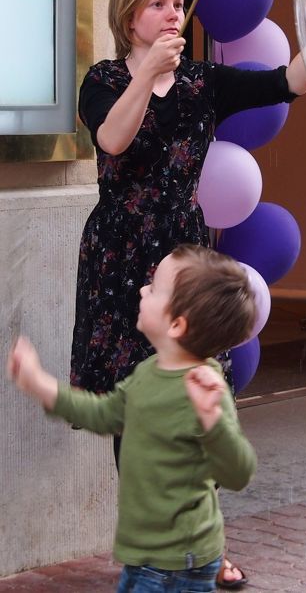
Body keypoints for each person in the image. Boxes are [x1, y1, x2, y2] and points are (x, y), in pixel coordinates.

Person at [70, 0, 306, 588]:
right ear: (129, 19)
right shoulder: (105, 79)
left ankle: (204, 543)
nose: (174, 14)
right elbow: (114, 140)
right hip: (123, 258)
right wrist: (147, 73)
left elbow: (288, 83)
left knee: (202, 397)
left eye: (178, 4)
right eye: (159, 6)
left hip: (184, 257)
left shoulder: (203, 82)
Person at [8, 244, 258, 593]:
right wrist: (40, 384)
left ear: (176, 324)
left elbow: (239, 471)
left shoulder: (204, 389)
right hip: (144, 557)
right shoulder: (146, 374)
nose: (142, 289)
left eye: (154, 288)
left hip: (179, 563)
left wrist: (213, 420)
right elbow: (103, 413)